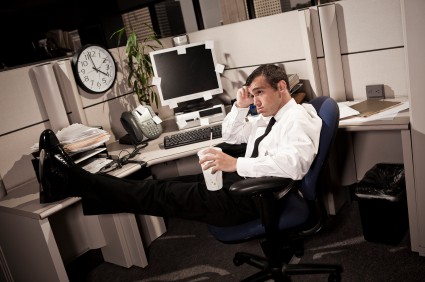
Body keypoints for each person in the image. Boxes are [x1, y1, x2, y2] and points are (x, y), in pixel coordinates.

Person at [38, 64, 322, 227]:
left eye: (260, 93)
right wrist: (239, 105)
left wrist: (235, 164)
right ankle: (70, 182)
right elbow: (234, 137)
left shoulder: (296, 119)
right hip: (243, 184)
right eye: (253, 94)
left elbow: (296, 165)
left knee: (155, 194)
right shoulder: (274, 115)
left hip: (252, 198)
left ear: (282, 87)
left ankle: (71, 178)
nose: (256, 100)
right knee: (158, 186)